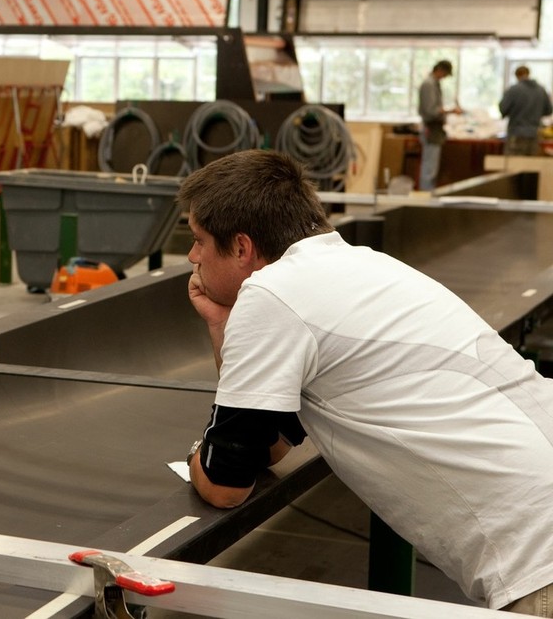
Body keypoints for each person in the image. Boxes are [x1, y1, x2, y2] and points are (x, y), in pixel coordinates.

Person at [180, 149, 553, 615]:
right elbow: (270, 444)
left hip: (540, 553)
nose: (192, 256)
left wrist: (198, 456)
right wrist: (221, 323)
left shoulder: (271, 293)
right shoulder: (364, 265)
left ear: (241, 247)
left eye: (198, 240)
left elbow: (225, 484)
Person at [416, 59, 462, 192]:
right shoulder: (429, 84)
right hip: (431, 127)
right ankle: (426, 195)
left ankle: (429, 192)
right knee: (429, 167)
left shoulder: (434, 84)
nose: (445, 77)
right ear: (440, 70)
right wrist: (450, 110)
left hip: (436, 128)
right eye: (445, 74)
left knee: (432, 166)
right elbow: (431, 110)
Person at [499, 65, 552, 156]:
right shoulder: (541, 90)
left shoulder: (514, 90)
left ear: (517, 76)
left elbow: (503, 109)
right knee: (531, 163)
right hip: (535, 134)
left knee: (514, 162)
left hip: (516, 134)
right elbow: (548, 110)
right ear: (528, 73)